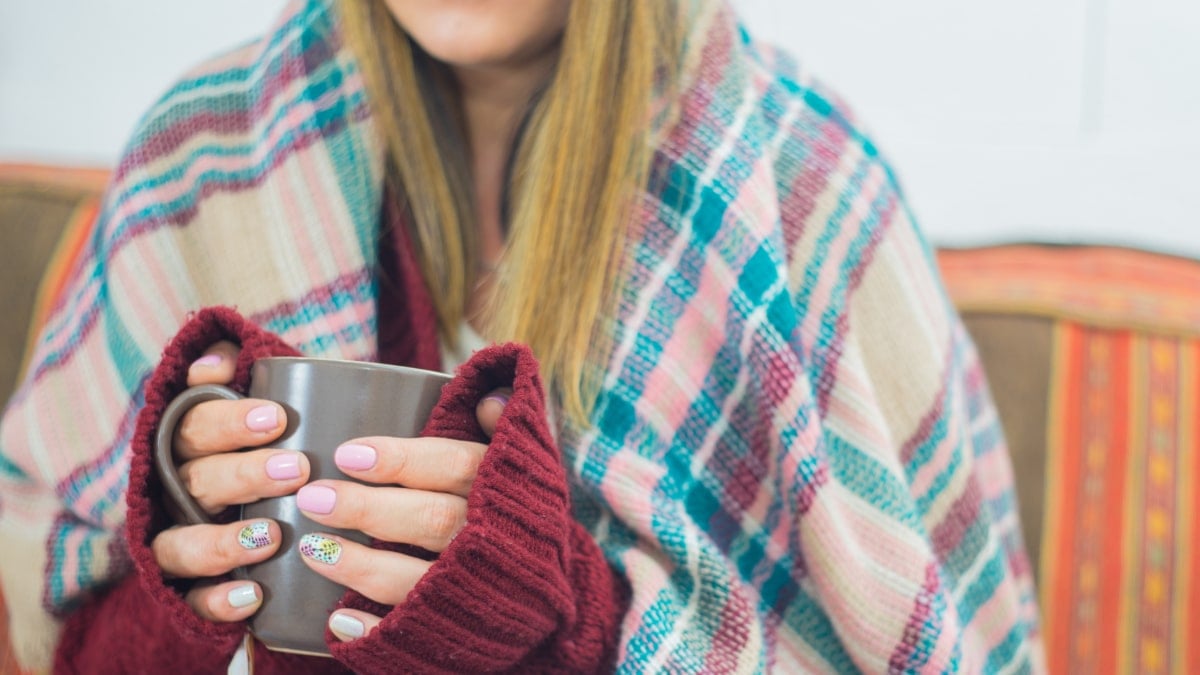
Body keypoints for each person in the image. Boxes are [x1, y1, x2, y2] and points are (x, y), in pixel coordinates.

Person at [0, 0, 1044, 672]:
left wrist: (566, 628)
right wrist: (193, 594)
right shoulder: (204, 151)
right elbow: (49, 613)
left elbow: (935, 648)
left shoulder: (803, 190)